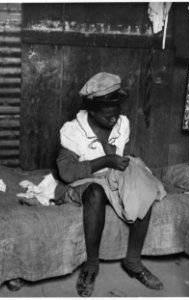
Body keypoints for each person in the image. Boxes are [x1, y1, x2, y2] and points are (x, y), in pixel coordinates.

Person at [56, 72, 163, 297]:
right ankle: (91, 266)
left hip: (113, 177)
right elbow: (67, 173)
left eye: (116, 114)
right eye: (107, 116)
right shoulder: (73, 131)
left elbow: (123, 156)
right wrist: (106, 160)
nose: (113, 119)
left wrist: (129, 166)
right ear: (91, 112)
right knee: (95, 193)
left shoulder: (122, 123)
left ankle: (133, 261)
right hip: (86, 180)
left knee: (144, 187)